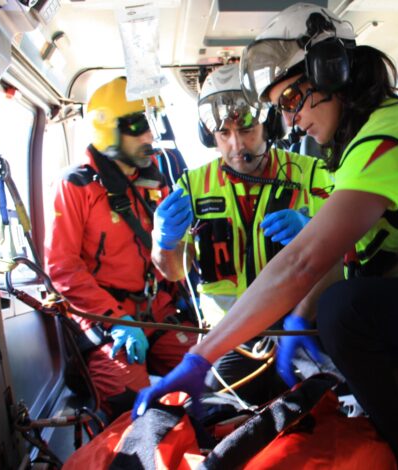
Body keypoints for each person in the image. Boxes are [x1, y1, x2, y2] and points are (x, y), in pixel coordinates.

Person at [135, 3, 398, 468]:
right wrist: (164, 243)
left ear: (330, 70)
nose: (291, 122)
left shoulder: (380, 142)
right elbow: (351, 253)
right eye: (280, 109)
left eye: (291, 101)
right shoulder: (358, 143)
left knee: (344, 310)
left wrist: (200, 358)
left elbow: (305, 261)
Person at [151, 63, 334, 405]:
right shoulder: (191, 185)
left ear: (268, 124)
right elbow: (174, 271)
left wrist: (316, 231)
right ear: (211, 137)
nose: (236, 145)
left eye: (247, 130)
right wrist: (164, 241)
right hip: (229, 335)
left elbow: (354, 248)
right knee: (208, 416)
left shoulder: (313, 174)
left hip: (299, 325)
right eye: (224, 134)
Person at [44, 77, 198, 420]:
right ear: (107, 131)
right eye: (136, 125)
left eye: (151, 124)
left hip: (157, 307)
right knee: (130, 402)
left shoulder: (159, 178)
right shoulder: (75, 186)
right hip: (105, 315)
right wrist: (114, 321)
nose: (148, 137)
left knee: (209, 370)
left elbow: (176, 255)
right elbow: (62, 268)